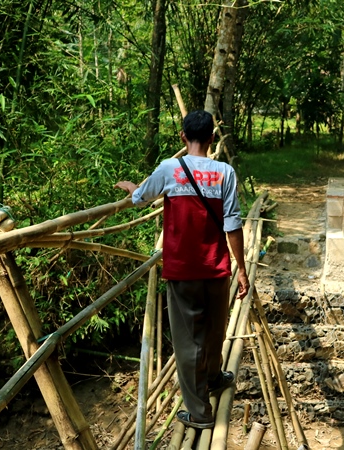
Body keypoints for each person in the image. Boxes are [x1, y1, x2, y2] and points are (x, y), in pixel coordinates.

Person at [115, 110, 249, 429]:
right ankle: (215, 378)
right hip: (217, 268)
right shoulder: (224, 173)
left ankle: (200, 413)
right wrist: (241, 269)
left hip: (183, 271)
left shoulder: (169, 169)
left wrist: (131, 186)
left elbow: (141, 197)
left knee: (189, 342)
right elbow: (233, 224)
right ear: (212, 139)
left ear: (182, 137)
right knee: (216, 329)